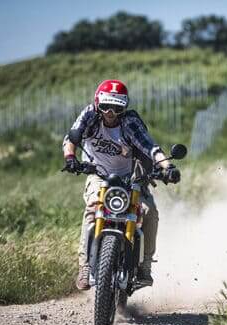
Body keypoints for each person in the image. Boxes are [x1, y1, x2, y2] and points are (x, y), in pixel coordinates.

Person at [62, 79, 180, 290]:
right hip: (97, 174)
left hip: (132, 177)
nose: (110, 112)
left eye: (116, 107)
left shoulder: (130, 122)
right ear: (98, 104)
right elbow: (72, 137)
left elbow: (151, 147)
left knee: (149, 211)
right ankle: (85, 266)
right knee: (92, 207)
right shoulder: (89, 115)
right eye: (106, 106)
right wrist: (70, 158)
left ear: (123, 107)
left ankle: (145, 266)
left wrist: (167, 167)